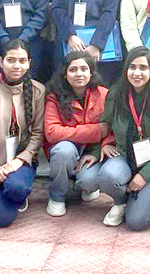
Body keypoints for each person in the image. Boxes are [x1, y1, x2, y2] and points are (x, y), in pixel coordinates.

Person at [97, 47, 150, 230]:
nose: (137, 73)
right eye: (132, 67)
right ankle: (121, 201)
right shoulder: (116, 94)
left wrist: (144, 175)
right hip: (126, 156)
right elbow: (105, 124)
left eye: (143, 68)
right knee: (107, 175)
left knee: (136, 221)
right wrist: (103, 144)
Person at [0, 39, 45, 227]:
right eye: (11, 60)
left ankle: (14, 191)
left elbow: (38, 133)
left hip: (20, 162)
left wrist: (19, 161)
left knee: (17, 188)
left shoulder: (38, 91)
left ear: (29, 63)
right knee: (1, 220)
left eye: (22, 61)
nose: (17, 66)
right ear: (0, 62)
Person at [43, 51, 110, 217]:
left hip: (91, 151)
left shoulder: (104, 94)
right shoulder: (54, 96)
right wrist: (94, 131)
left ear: (91, 72)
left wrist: (96, 151)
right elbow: (51, 132)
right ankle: (57, 196)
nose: (79, 73)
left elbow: (112, 128)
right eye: (73, 70)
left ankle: (84, 187)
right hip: (66, 150)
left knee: (89, 180)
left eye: (83, 69)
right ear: (65, 74)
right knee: (63, 150)